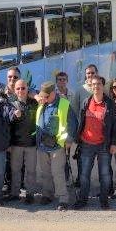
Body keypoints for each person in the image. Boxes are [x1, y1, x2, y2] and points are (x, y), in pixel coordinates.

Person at [75, 75, 116, 209]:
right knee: (84, 175)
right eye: (93, 84)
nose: (96, 86)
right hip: (86, 144)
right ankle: (82, 200)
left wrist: (114, 143)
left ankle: (104, 200)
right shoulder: (86, 102)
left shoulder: (110, 104)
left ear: (103, 86)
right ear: (90, 86)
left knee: (105, 175)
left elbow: (115, 126)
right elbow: (81, 121)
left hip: (103, 145)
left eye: (98, 84)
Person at [34, 82, 77, 211]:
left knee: (57, 173)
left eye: (46, 96)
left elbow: (73, 124)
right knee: (45, 173)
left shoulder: (64, 104)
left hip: (57, 145)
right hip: (42, 145)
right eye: (42, 96)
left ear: (53, 93)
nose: (44, 98)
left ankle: (63, 199)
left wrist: (69, 140)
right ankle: (47, 195)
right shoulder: (42, 104)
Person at [7, 79, 40, 202]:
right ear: (14, 90)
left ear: (28, 89)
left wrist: (35, 95)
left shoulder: (34, 103)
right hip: (16, 144)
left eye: (23, 88)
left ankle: (30, 194)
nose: (20, 90)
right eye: (18, 88)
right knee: (15, 171)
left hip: (31, 143)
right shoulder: (10, 104)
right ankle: (15, 193)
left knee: (31, 171)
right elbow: (7, 125)